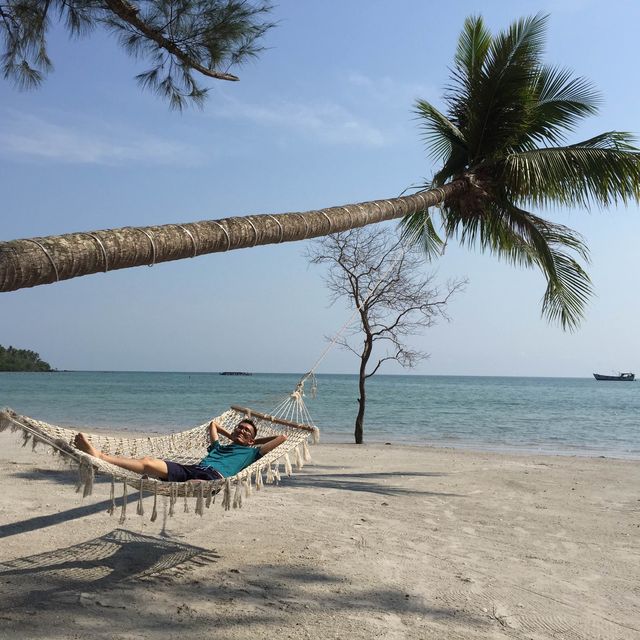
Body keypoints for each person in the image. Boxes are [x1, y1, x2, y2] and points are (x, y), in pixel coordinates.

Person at [73, 418, 286, 482]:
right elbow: (213, 425)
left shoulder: (252, 453)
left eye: (246, 430)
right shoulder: (218, 447)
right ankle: (100, 456)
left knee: (194, 486)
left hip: (214, 478)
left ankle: (163, 483)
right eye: (239, 427)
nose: (241, 430)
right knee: (148, 461)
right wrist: (233, 436)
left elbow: (281, 437)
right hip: (193, 468)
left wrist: (250, 442)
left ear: (252, 439)